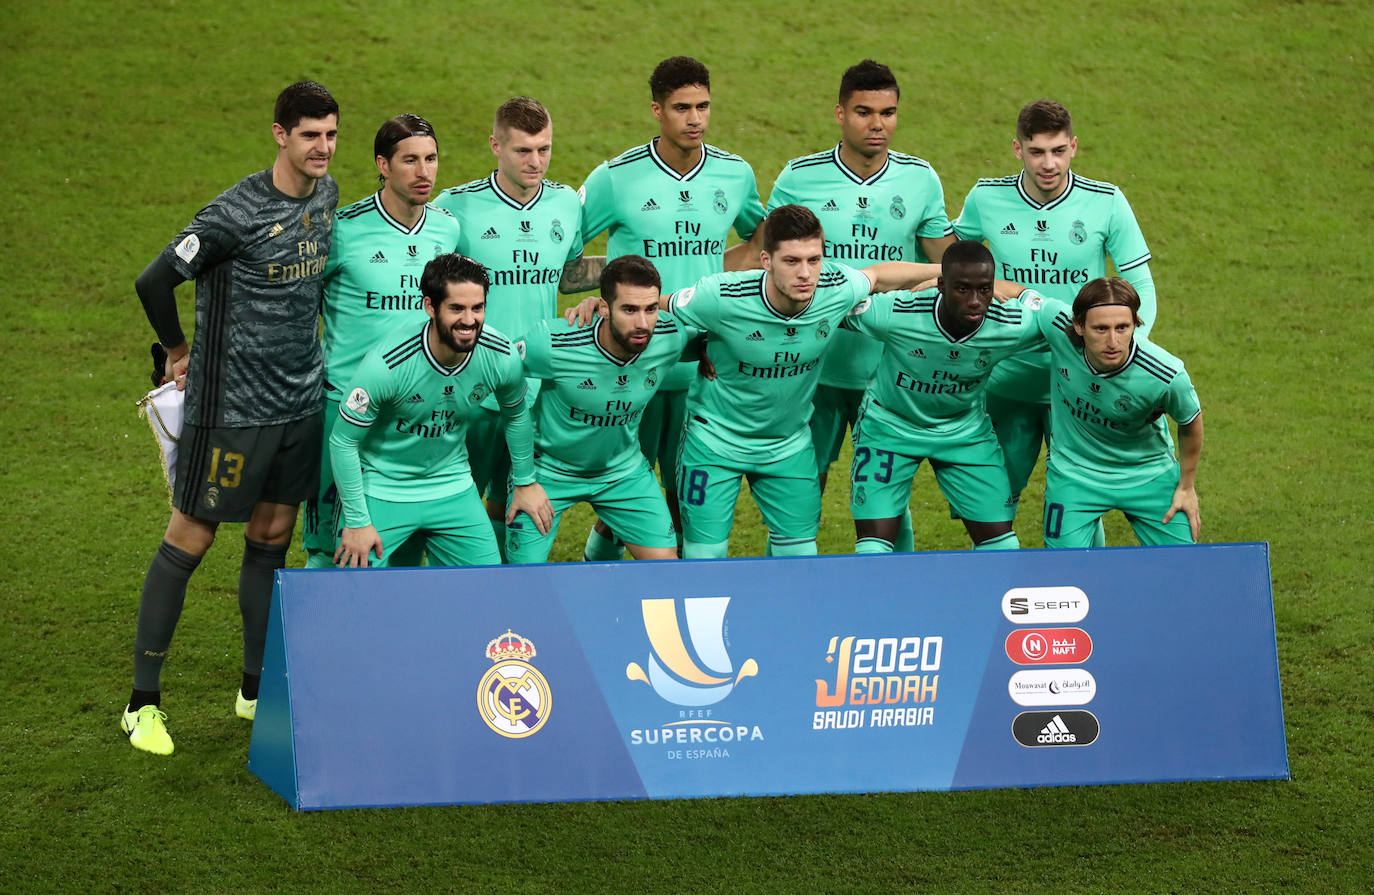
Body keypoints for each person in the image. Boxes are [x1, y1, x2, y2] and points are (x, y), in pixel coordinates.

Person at [124, 82, 340, 755]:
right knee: (190, 538)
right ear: (280, 134)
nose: (323, 149)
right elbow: (153, 280)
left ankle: (254, 688)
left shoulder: (328, 197)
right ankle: (142, 703)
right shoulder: (233, 215)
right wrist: (177, 352)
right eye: (310, 135)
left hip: (300, 405)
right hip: (230, 410)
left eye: (331, 135)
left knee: (273, 537)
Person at [729, 59, 955, 549]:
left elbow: (949, 264)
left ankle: (894, 594)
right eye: (864, 112)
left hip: (891, 368)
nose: (878, 125)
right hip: (814, 365)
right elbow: (758, 259)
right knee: (802, 490)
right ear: (840, 114)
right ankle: (789, 591)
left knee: (887, 497)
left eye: (888, 113)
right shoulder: (800, 178)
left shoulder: (920, 180)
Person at [661, 204, 940, 558]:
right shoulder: (720, 296)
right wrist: (609, 308)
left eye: (814, 259)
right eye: (791, 261)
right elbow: (655, 310)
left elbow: (879, 275)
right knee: (704, 558)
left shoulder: (835, 287)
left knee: (801, 558)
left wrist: (948, 270)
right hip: (715, 443)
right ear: (765, 260)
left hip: (788, 446)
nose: (806, 273)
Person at [576, 56, 766, 560]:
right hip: (632, 358)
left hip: (702, 360)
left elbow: (761, 238)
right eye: (682, 108)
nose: (695, 119)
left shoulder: (734, 173)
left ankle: (671, 589)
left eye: (703, 106)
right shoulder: (615, 178)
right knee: (620, 491)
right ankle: (601, 574)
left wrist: (724, 287)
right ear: (657, 110)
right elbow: (565, 245)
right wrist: (596, 294)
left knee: (686, 492)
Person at [953, 99, 1156, 539]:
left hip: (1079, 382)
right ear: (1017, 149)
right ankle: (995, 592)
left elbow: (1142, 288)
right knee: (989, 500)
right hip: (1009, 378)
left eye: (1059, 151)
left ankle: (1085, 594)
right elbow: (952, 260)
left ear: (1074, 147)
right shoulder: (986, 198)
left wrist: (1122, 357)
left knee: (1082, 500)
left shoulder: (1106, 202)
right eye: (1037, 151)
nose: (1049, 163)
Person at [434, 97, 598, 558]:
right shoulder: (455, 209)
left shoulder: (566, 204)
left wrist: (609, 292)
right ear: (495, 146)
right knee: (456, 506)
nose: (536, 161)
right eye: (523, 151)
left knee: (519, 503)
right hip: (471, 386)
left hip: (539, 388)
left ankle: (508, 595)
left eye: (544, 149)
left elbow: (568, 274)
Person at [303, 114, 462, 569]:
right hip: (345, 405)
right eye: (409, 160)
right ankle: (316, 636)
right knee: (327, 544)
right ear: (383, 165)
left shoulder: (446, 230)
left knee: (406, 542)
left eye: (431, 159)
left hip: (417, 407)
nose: (424, 171)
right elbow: (299, 304)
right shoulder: (343, 230)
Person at [330, 253, 552, 568]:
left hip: (453, 485)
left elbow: (516, 414)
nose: (469, 320)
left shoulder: (500, 355)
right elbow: (343, 441)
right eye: (457, 309)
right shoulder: (388, 366)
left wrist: (525, 481)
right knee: (354, 593)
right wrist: (357, 521)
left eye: (478, 308)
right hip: (383, 486)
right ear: (430, 307)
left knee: (488, 587)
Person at [841, 240, 1043, 553]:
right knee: (873, 551)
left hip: (965, 433)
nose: (976, 301)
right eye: (962, 289)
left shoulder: (1012, 322)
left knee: (1002, 548)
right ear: (940, 286)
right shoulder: (897, 310)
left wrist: (1022, 293)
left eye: (985, 289)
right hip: (890, 428)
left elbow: (1078, 326)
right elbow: (828, 302)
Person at [506, 255, 691, 563]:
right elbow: (495, 367)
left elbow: (712, 338)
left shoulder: (669, 337)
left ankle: (603, 583)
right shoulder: (553, 342)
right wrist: (524, 479)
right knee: (523, 578)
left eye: (650, 309)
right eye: (629, 309)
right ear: (604, 308)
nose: (643, 323)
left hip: (622, 471)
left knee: (665, 567)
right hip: (549, 471)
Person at [1029, 278, 1201, 547]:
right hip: (1075, 474)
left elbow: (1190, 421)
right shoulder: (1057, 324)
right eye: (1100, 329)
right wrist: (949, 274)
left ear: (1135, 323)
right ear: (1078, 325)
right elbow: (1017, 292)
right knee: (1062, 571)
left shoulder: (1166, 374)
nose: (1112, 341)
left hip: (1148, 474)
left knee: (1184, 569)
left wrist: (1186, 486)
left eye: (1122, 328)